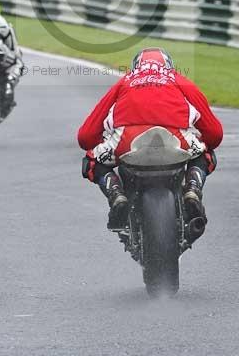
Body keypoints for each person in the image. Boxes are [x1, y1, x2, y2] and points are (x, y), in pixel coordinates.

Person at [77, 47, 223, 232]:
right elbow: (215, 133)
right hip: (177, 138)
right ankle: (192, 188)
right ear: (168, 65)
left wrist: (99, 143)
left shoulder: (125, 81)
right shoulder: (179, 80)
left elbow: (85, 136)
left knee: (91, 161)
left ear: (136, 66)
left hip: (127, 140)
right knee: (207, 153)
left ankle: (116, 194)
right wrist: (203, 140)